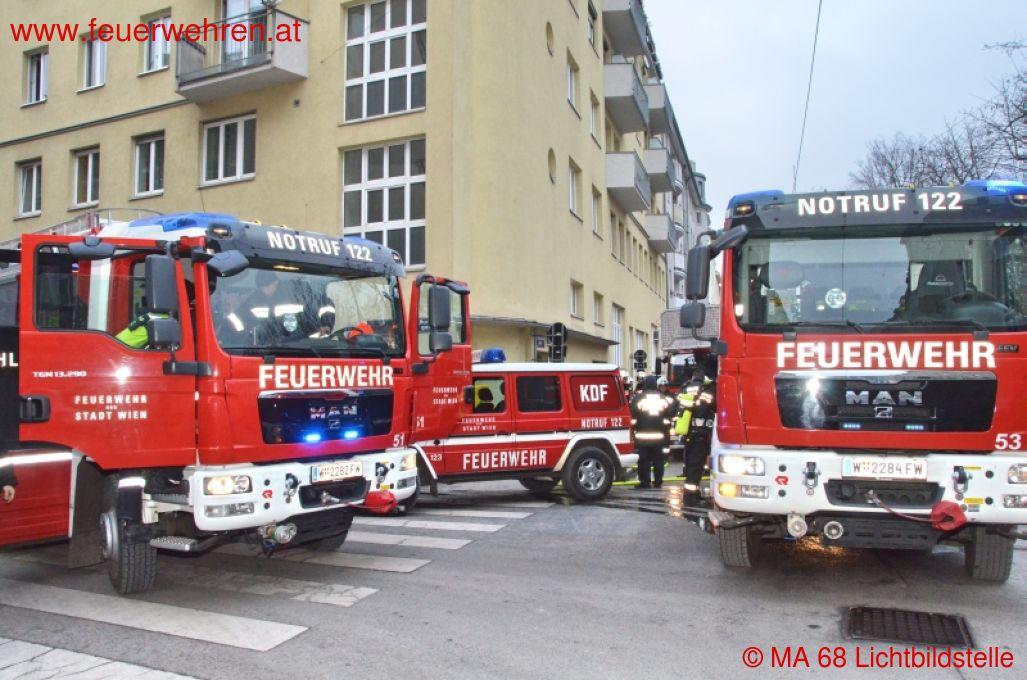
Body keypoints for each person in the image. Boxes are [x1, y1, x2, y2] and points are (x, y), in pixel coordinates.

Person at [629, 375, 677, 489]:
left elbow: (633, 414)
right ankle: (658, 482)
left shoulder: (639, 398)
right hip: (659, 436)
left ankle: (645, 482)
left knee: (643, 460)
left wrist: (635, 428)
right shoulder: (662, 398)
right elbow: (670, 414)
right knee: (658, 460)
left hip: (642, 437)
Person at [684, 376, 716, 495]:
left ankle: (692, 492)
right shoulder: (709, 393)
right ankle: (691, 496)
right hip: (701, 434)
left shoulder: (688, 388)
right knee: (696, 465)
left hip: (692, 433)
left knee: (692, 464)